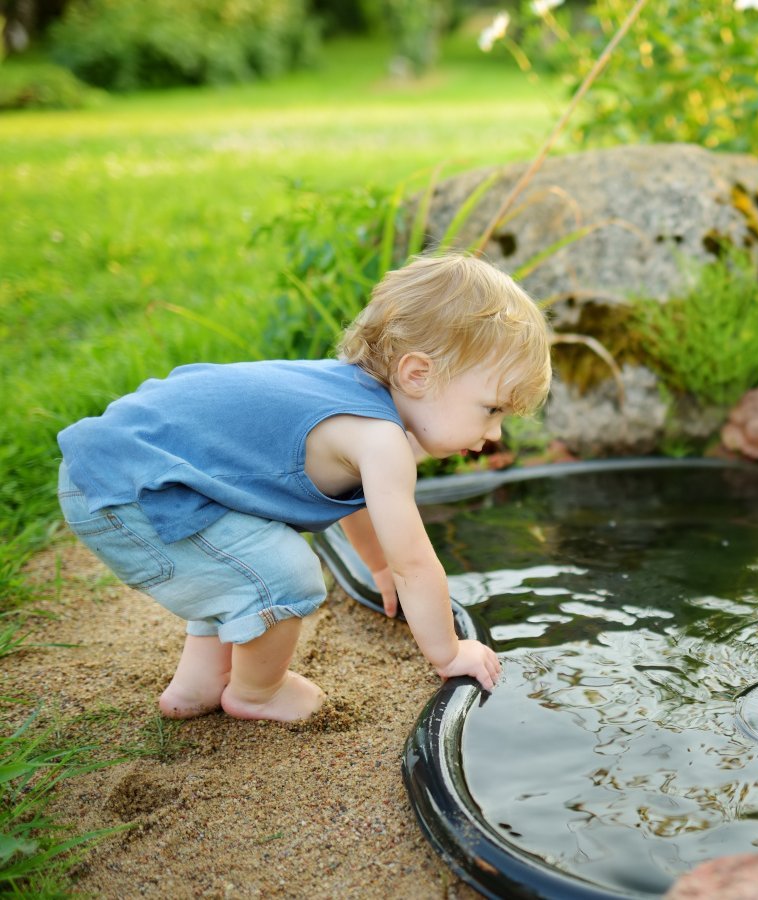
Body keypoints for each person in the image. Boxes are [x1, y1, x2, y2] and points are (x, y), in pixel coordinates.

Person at [56, 253, 551, 722]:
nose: (495, 435)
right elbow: (416, 563)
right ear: (418, 374)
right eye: (491, 409)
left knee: (236, 560)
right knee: (284, 574)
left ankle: (198, 687)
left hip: (128, 470)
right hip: (130, 489)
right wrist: (449, 650)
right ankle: (257, 692)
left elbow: (356, 506)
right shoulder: (381, 439)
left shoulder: (350, 400)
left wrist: (375, 565)